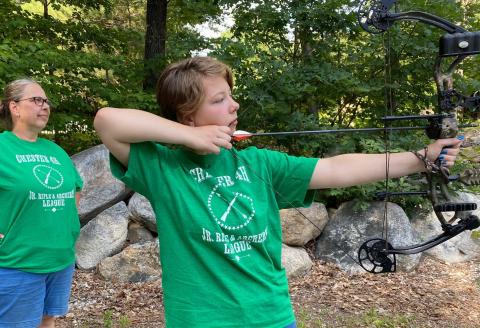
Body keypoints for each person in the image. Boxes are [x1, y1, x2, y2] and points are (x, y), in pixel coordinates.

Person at [94, 56, 463, 328]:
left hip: (270, 315)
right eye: (219, 99)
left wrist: (420, 158)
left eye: (231, 95)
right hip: (200, 319)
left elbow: (337, 169)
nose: (234, 104)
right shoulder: (164, 168)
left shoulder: (258, 164)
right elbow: (107, 121)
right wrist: (190, 137)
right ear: (188, 114)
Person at [0, 79, 83, 328]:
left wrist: (63, 225)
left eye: (46, 101)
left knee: (48, 320)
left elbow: (76, 188)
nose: (44, 106)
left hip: (60, 258)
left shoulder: (55, 151)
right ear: (14, 107)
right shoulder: (3, 148)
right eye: (36, 100)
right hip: (18, 261)